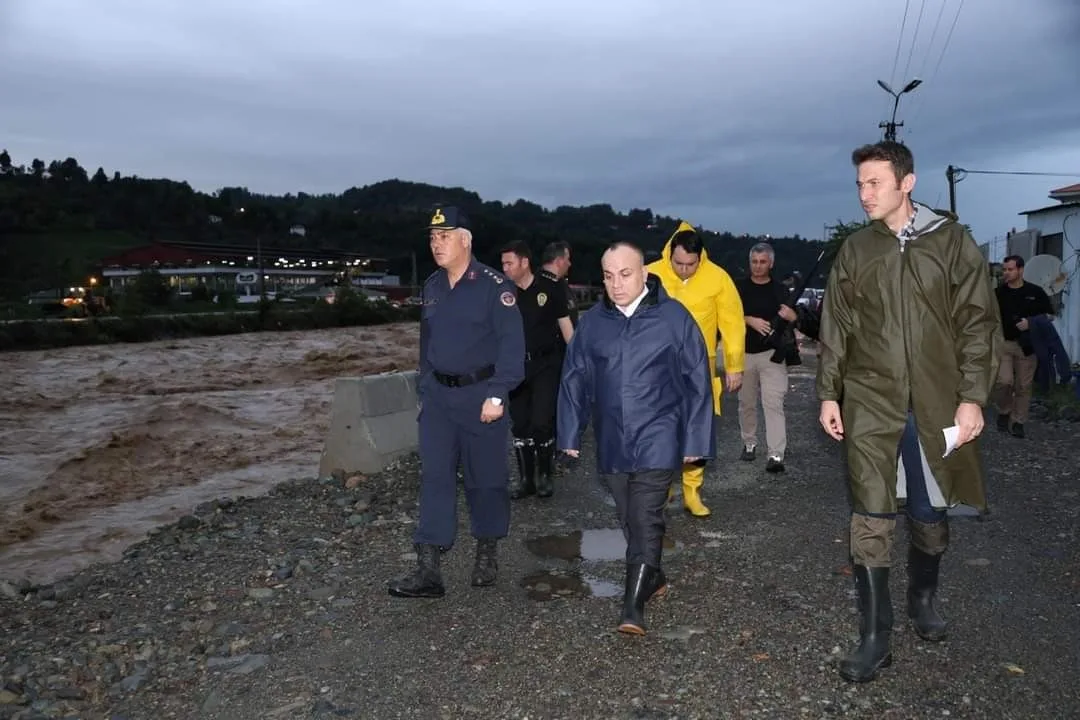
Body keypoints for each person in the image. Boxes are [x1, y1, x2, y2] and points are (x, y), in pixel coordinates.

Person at [817, 140, 1001, 683]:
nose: (864, 194)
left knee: (929, 514)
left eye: (875, 182)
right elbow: (838, 326)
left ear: (908, 182)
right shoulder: (857, 249)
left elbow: (978, 324)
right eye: (859, 184)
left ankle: (923, 596)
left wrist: (972, 397)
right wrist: (829, 391)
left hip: (936, 401)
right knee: (870, 512)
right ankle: (875, 635)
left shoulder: (952, 244)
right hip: (870, 400)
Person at [557, 241, 715, 636]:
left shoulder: (674, 318)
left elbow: (697, 380)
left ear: (644, 273)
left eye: (625, 274)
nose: (617, 284)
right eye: (608, 276)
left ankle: (632, 606)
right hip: (613, 439)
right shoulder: (594, 322)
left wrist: (696, 440)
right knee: (629, 516)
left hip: (659, 434)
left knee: (645, 517)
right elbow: (574, 377)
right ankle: (654, 576)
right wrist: (569, 433)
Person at [388, 206, 526, 599]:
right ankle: (428, 568)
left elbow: (512, 350)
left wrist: (498, 395)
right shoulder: (431, 286)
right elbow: (426, 345)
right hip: (439, 401)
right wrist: (425, 390)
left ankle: (486, 550)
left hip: (481, 398)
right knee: (434, 478)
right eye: (432, 238)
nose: (436, 244)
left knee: (487, 481)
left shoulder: (493, 286)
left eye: (444, 236)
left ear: (465, 239)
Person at [646, 221, 745, 517]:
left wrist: (734, 365)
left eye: (690, 264)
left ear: (700, 258)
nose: (684, 270)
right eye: (678, 263)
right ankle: (662, 491)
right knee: (660, 433)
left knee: (697, 431)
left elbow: (733, 323)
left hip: (699, 372)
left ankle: (692, 490)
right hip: (657, 371)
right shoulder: (650, 274)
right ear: (669, 255)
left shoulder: (718, 278)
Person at [500, 240, 574, 499]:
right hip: (515, 368)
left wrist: (577, 366)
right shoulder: (503, 294)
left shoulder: (550, 289)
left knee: (542, 421)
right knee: (520, 425)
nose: (505, 268)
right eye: (503, 264)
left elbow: (566, 328)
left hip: (546, 365)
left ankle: (544, 476)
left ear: (524, 262)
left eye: (509, 263)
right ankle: (525, 479)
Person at [735, 243, 793, 473]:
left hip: (772, 355)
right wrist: (748, 319)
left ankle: (776, 454)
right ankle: (749, 443)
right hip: (743, 353)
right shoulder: (737, 288)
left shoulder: (781, 291)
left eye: (763, 262)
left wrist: (793, 316)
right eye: (754, 261)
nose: (758, 266)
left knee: (774, 403)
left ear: (771, 263)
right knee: (746, 402)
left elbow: (796, 321)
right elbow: (726, 315)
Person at [993, 255, 1053, 437]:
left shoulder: (1035, 292)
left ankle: (1018, 422)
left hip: (1027, 346)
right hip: (1004, 343)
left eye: (1010, 269)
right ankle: (1004, 410)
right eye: (1004, 270)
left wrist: (1031, 322)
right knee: (1003, 382)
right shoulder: (998, 293)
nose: (1006, 273)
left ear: (1020, 270)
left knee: (1023, 386)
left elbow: (1050, 316)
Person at [539, 241, 578, 328]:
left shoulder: (562, 284)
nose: (569, 264)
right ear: (559, 261)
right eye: (567, 259)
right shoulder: (535, 286)